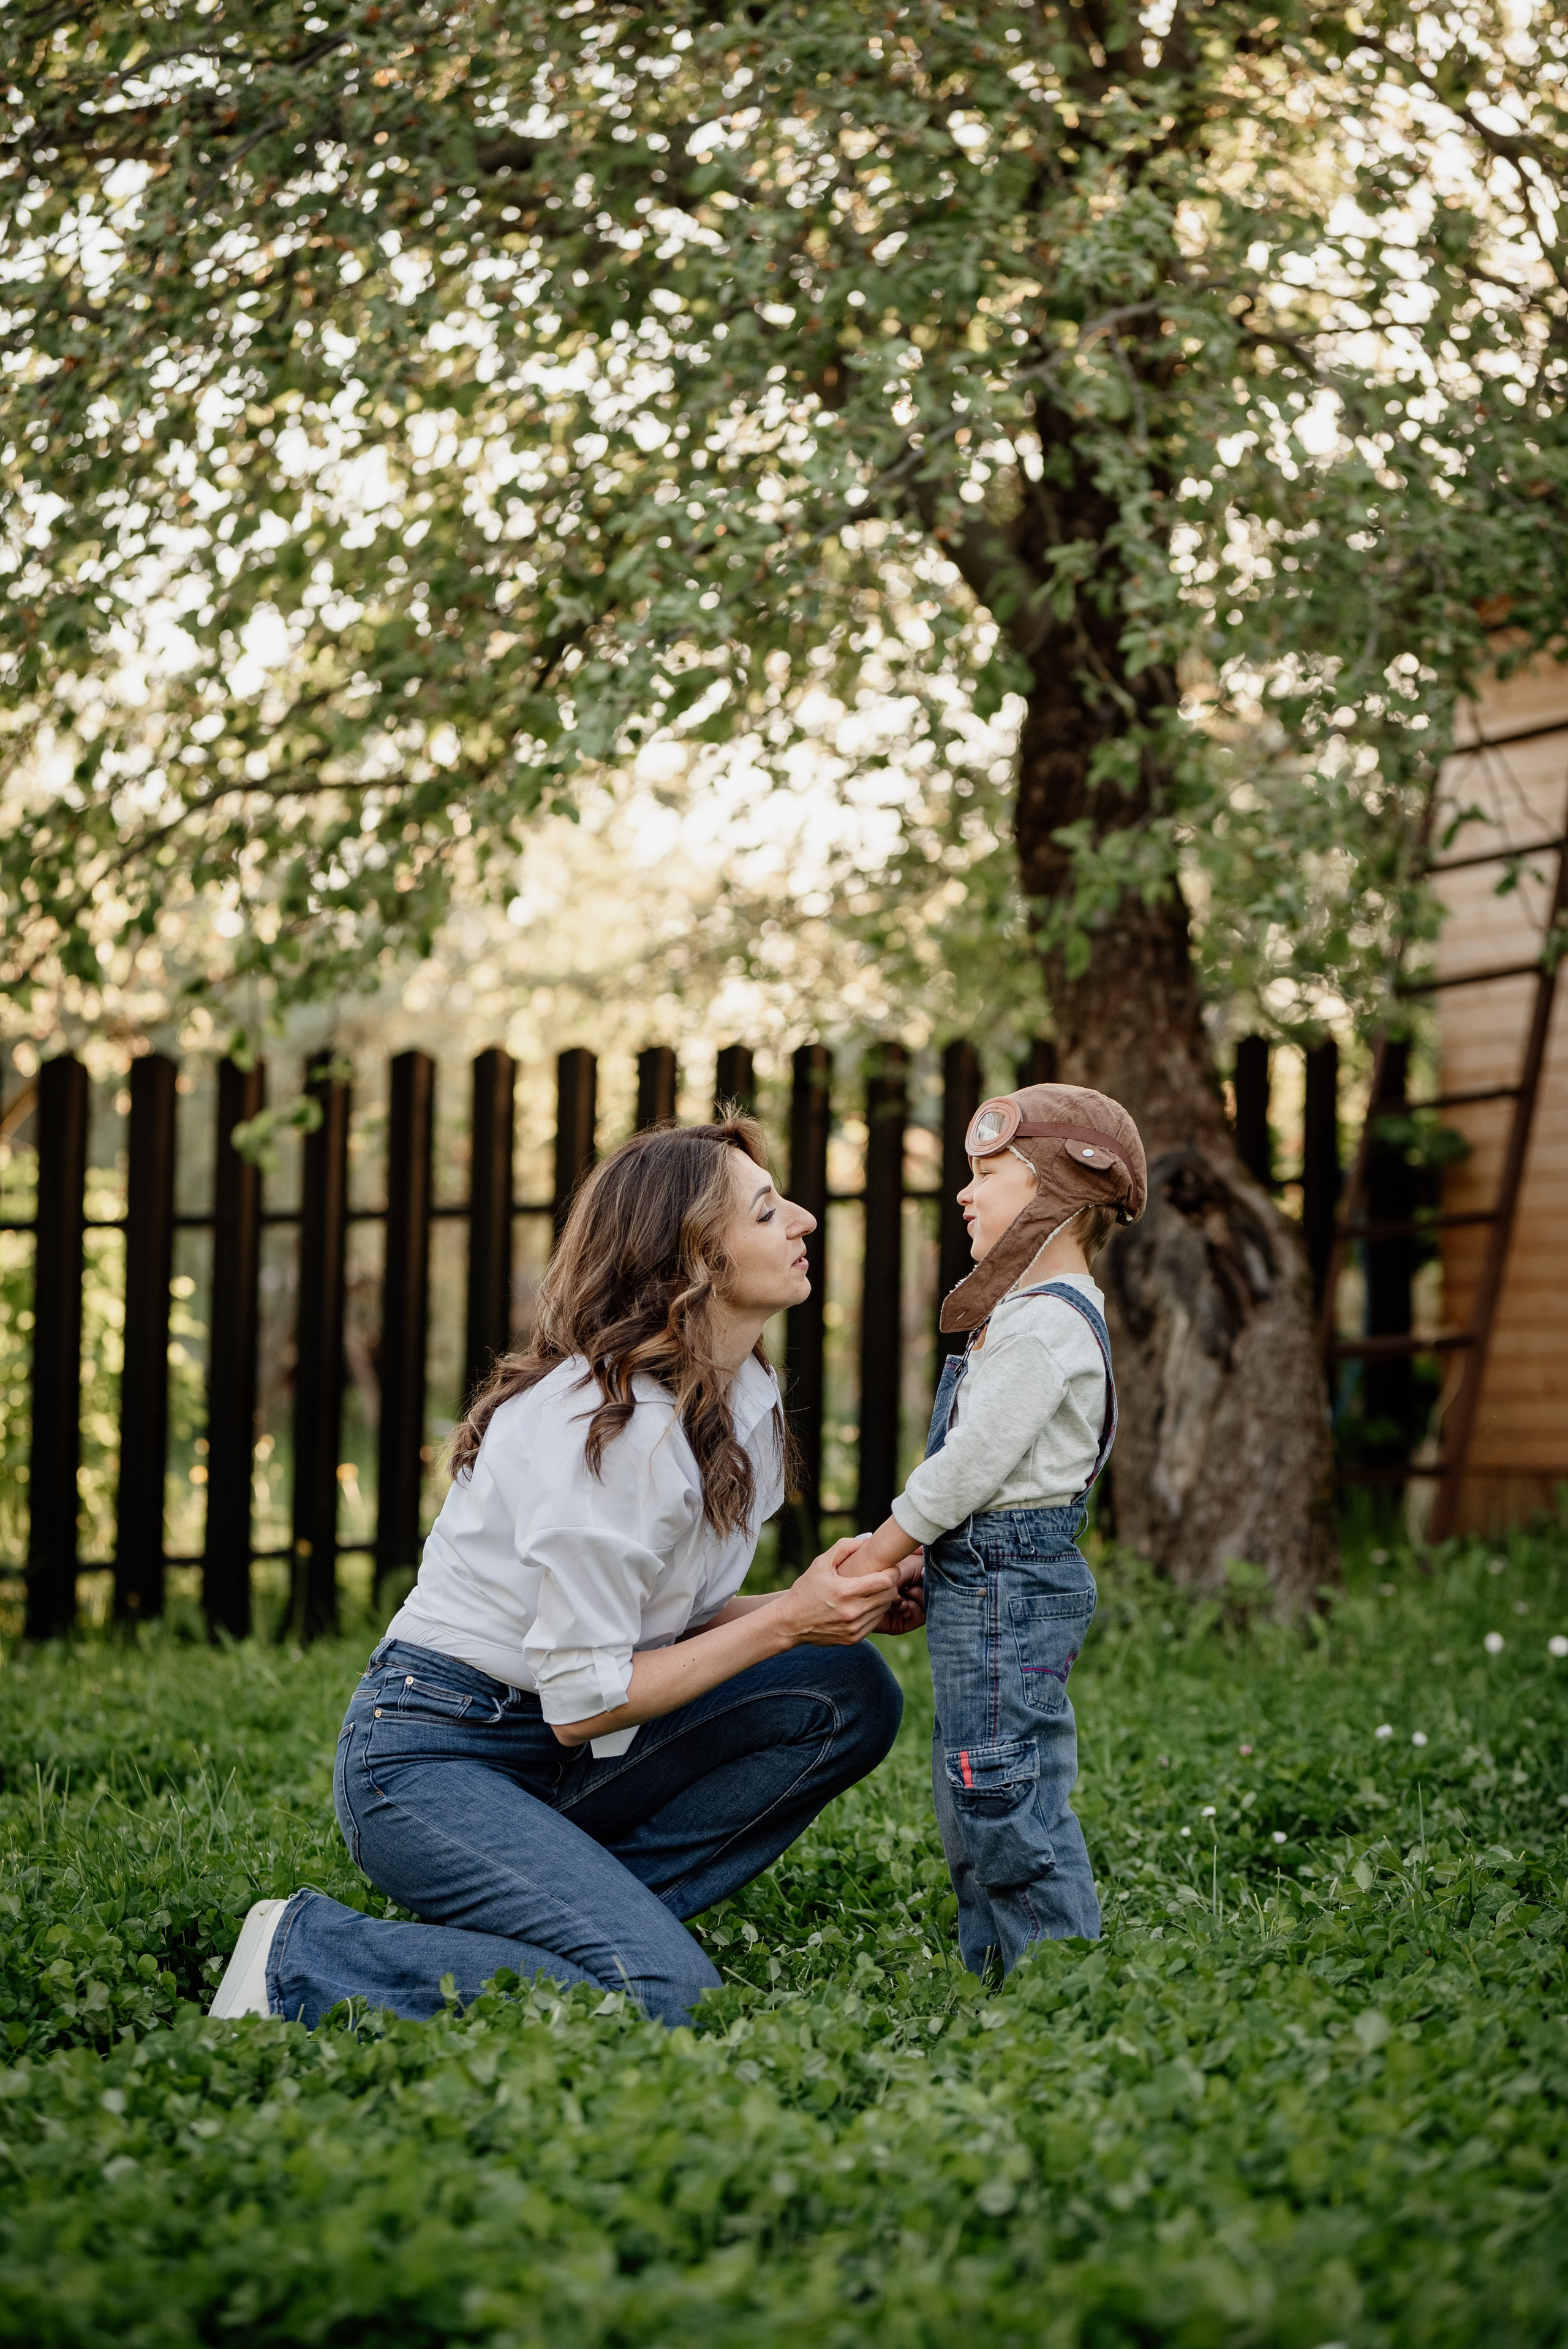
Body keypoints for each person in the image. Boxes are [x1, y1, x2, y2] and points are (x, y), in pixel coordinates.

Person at [210, 1117, 908, 2030]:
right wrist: (786, 1621)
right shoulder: (610, 1428)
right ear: (688, 1259)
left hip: (564, 1755)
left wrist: (821, 1604)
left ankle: (561, 1925)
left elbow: (663, 1615)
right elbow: (585, 1698)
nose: (807, 1219)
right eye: (769, 1211)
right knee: (663, 1994)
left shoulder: (741, 1399)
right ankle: (306, 1957)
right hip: (435, 1755)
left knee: (845, 1685)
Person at [843, 1083, 1147, 1979]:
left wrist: (885, 1547)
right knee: (974, 1779)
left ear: (1062, 1193)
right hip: (991, 1578)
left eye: (987, 1174)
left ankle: (1055, 1980)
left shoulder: (1047, 1325)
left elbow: (971, 1469)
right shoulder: (1023, 1317)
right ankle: (997, 1966)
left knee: (1000, 1782)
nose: (965, 1195)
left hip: (1011, 1583)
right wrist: (930, 1566)